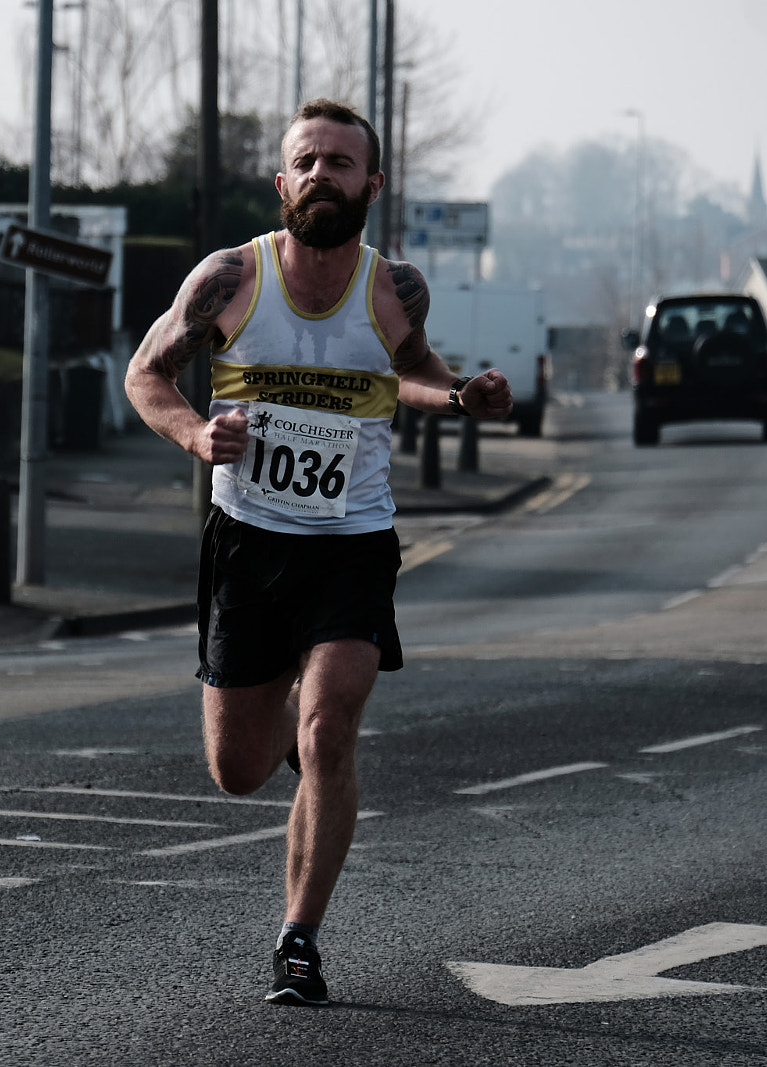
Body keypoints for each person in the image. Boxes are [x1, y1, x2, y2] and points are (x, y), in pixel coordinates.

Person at [124, 98, 512, 1007]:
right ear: (282, 179)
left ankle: (299, 940)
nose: (321, 175)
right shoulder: (229, 279)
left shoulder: (394, 288)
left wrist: (460, 398)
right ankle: (293, 719)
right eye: (307, 160)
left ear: (372, 184)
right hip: (247, 539)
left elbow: (411, 370)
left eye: (341, 163)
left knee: (332, 726)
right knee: (239, 771)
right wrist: (192, 435)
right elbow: (147, 373)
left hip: (353, 539)